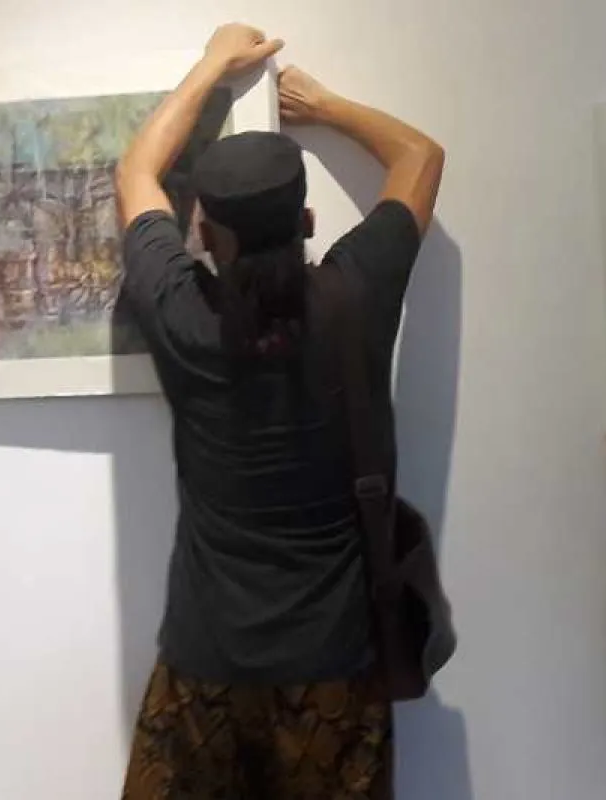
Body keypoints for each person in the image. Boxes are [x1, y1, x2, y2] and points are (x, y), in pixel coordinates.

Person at [114, 23, 444, 799]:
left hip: (206, 664)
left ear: (205, 234)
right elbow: (421, 158)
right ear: (306, 222)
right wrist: (323, 107)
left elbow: (136, 172)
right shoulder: (356, 295)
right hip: (333, 669)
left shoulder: (183, 314)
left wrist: (213, 64)